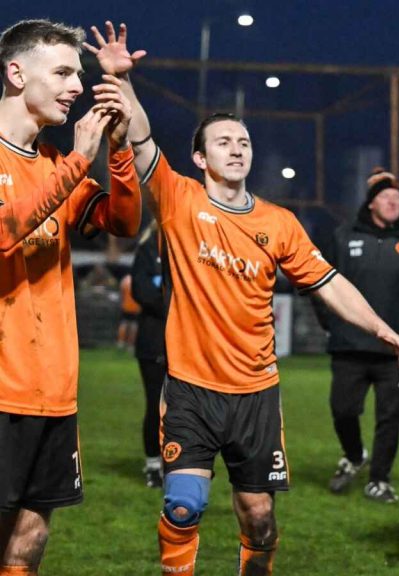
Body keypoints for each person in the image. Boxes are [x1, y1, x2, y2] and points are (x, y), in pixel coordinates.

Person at [85, 21, 399, 575]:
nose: (236, 150)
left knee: (258, 516)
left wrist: (381, 327)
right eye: (223, 143)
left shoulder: (278, 223)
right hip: (190, 389)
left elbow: (328, 282)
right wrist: (122, 81)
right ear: (199, 158)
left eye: (243, 143)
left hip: (256, 395)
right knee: (183, 505)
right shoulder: (178, 198)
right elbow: (139, 137)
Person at [0, 18, 141, 575]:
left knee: (28, 545)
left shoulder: (59, 163)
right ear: (16, 73)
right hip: (2, 388)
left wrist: (119, 149)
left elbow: (122, 221)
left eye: (78, 75)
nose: (77, 86)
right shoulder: (59, 164)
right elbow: (6, 231)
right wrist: (81, 161)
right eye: (61, 72)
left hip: (55, 388)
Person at [315, 167, 399, 505]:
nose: (393, 202)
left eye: (397, 198)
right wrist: (332, 325)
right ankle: (355, 454)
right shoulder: (343, 237)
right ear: (371, 204)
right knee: (343, 410)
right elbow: (322, 286)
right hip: (349, 346)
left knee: (389, 419)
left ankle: (379, 479)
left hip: (394, 351)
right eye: (386, 197)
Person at [130, 220, 167, 488]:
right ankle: (153, 465)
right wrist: (174, 303)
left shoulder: (189, 246)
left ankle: (177, 463)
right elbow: (141, 291)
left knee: (182, 410)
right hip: (153, 342)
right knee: (155, 404)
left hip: (185, 344)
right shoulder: (146, 249)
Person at [116, 273, 140, 350]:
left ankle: (121, 342)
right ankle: (131, 344)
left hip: (125, 307)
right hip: (135, 307)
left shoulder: (124, 280)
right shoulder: (138, 280)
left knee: (124, 324)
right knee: (134, 326)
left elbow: (121, 294)